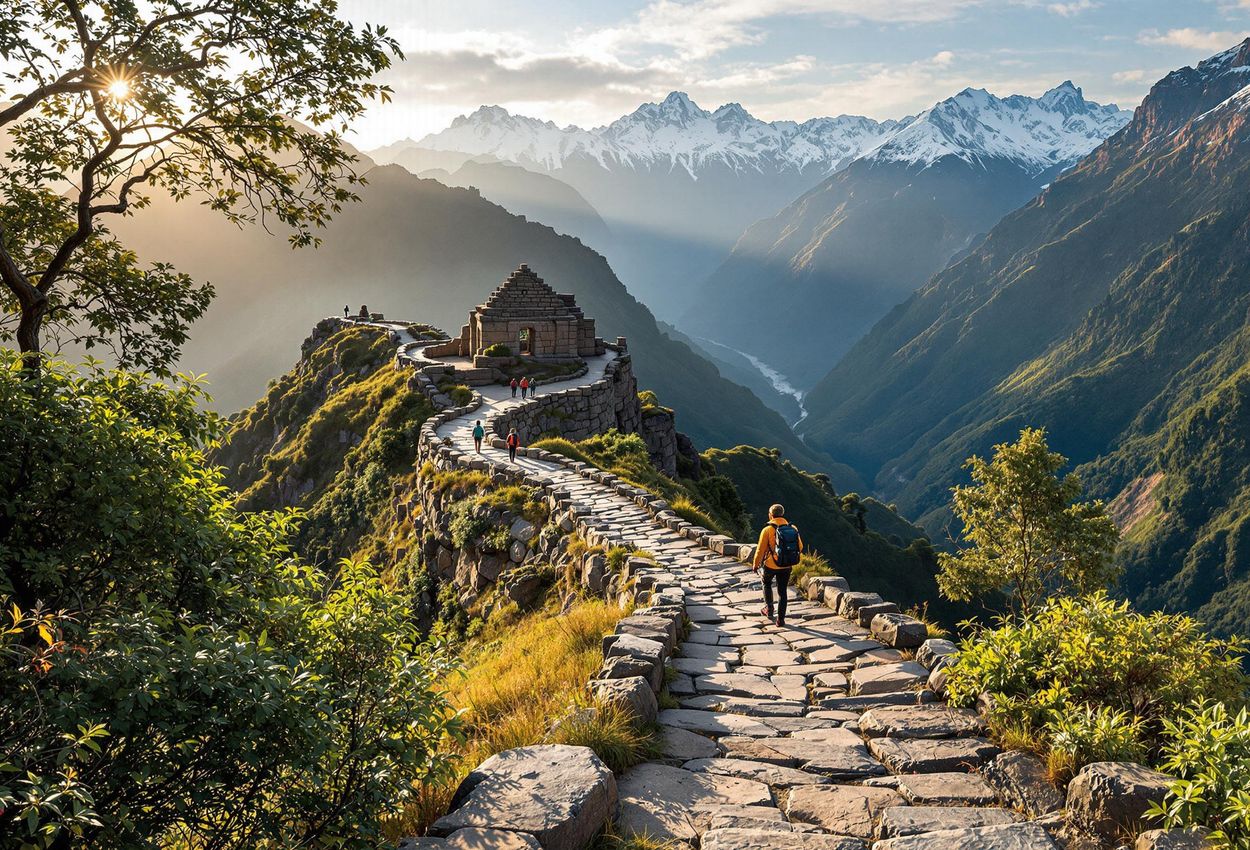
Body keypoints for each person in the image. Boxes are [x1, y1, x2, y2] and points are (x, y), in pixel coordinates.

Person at [752, 503, 803, 627]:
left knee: (766, 583)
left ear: (771, 515)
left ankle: (769, 609)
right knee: (782, 592)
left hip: (770, 565)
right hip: (786, 565)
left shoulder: (767, 530)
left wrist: (755, 565)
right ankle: (780, 620)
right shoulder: (793, 528)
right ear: (782, 514)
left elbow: (760, 550)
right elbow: (800, 547)